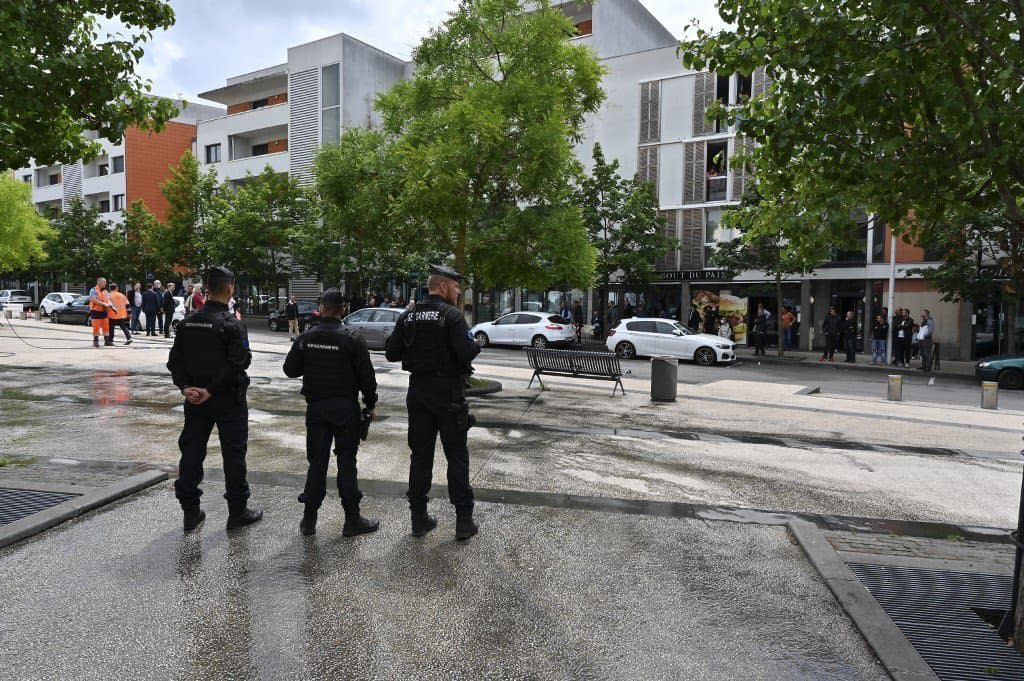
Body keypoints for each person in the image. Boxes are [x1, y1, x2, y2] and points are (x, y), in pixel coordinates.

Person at [385, 264, 481, 540]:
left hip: (418, 393)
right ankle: (463, 522)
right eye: (456, 287)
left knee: (420, 457)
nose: (459, 292)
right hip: (448, 394)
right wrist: (474, 344)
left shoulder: (408, 316)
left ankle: (418, 519)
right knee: (457, 458)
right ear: (443, 287)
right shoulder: (451, 315)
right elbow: (467, 352)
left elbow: (392, 353)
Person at [166, 266, 261, 533]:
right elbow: (240, 362)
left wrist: (186, 387)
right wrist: (211, 389)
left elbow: (175, 362)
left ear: (207, 289)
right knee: (233, 454)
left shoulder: (187, 323)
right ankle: (237, 513)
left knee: (192, 453)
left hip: (196, 399)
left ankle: (190, 512)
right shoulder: (231, 324)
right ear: (229, 288)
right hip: (227, 399)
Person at [283, 288, 379, 537]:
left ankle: (309, 519)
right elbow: (367, 378)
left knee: (317, 463)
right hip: (345, 409)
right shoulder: (352, 338)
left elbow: (290, 370)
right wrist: (370, 405)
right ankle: (352, 519)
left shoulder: (306, 337)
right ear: (343, 310)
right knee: (347, 464)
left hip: (317, 408)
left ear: (322, 308)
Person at [88, 277, 112, 348]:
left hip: (104, 311)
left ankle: (107, 341)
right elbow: (93, 300)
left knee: (106, 326)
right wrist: (104, 304)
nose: (105, 283)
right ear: (99, 282)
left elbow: (108, 300)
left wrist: (111, 306)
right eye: (104, 282)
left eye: (105, 282)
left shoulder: (105, 291)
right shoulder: (93, 290)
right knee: (96, 327)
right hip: (96, 311)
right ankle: (95, 341)